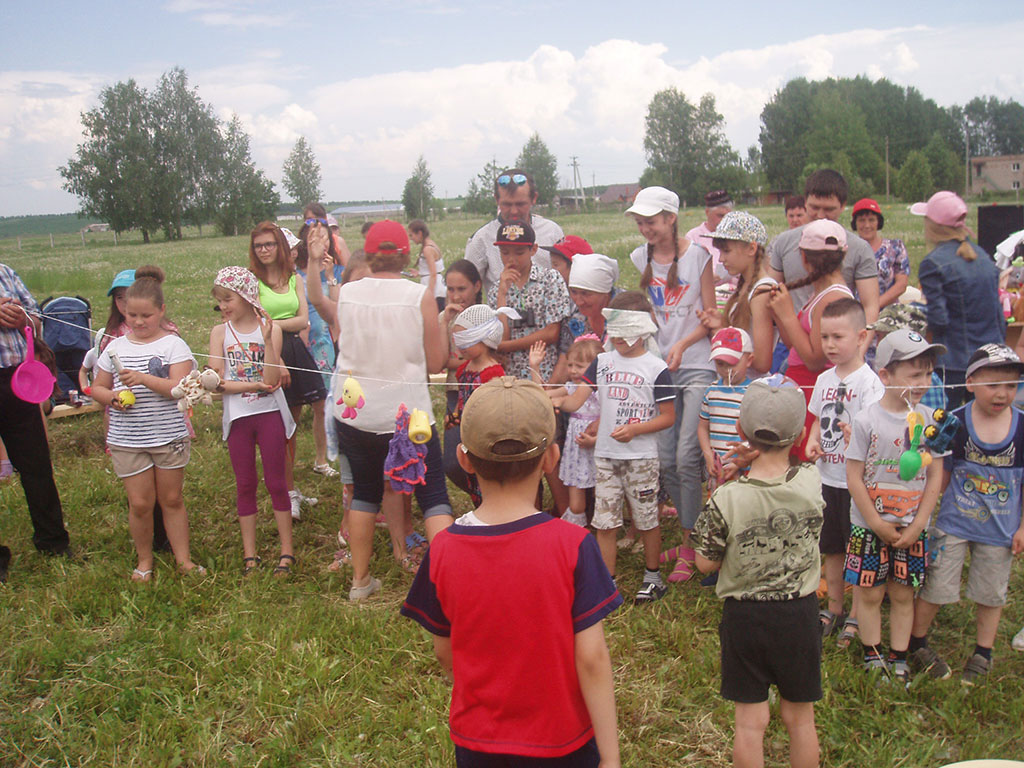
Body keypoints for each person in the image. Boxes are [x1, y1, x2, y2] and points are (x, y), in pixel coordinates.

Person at [400, 377, 622, 767]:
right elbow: (592, 658)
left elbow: (443, 649)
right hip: (563, 742)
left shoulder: (444, 549)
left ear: (465, 461)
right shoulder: (574, 545)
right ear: (551, 459)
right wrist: (611, 756)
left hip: (478, 741)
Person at [307, 219, 453, 600]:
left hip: (356, 413)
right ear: (405, 256)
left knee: (365, 494)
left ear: (369, 255)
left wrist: (312, 261)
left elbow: (330, 319)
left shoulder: (348, 293)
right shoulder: (419, 295)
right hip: (409, 415)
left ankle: (360, 581)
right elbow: (436, 362)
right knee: (433, 495)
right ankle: (445, 586)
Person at [693, 377, 825, 768]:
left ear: (739, 429)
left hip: (745, 618)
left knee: (749, 725)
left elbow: (704, 563)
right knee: (801, 720)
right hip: (799, 615)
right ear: (799, 435)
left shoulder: (727, 497)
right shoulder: (811, 480)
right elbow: (793, 469)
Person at [910, 344, 1024, 684]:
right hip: (954, 522)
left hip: (1000, 529)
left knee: (991, 591)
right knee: (936, 584)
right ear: (970, 383)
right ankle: (917, 642)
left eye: (1011, 385)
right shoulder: (955, 422)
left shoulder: (1022, 427)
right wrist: (922, 516)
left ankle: (983, 652)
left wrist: (1021, 527)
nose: (1002, 393)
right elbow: (940, 476)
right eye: (993, 384)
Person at [844, 329, 947, 683]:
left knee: (904, 594)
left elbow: (935, 476)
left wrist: (919, 524)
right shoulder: (866, 421)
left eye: (928, 374)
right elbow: (854, 477)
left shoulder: (932, 422)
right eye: (914, 374)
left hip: (911, 528)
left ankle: (899, 656)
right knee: (870, 593)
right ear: (885, 375)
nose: (923, 383)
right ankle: (873, 654)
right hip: (869, 526)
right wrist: (875, 522)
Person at [560, 295, 676, 602]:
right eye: (615, 331)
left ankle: (653, 578)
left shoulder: (657, 368)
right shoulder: (602, 362)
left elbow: (668, 417)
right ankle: (607, 583)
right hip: (606, 458)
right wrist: (542, 396)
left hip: (641, 458)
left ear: (643, 329)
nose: (619, 338)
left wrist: (636, 429)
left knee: (647, 518)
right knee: (605, 521)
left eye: (626, 331)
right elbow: (574, 401)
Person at [92, 267, 202, 581]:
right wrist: (112, 397)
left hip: (168, 436)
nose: (138, 322)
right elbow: (97, 388)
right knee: (140, 503)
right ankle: (144, 561)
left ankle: (184, 560)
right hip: (128, 439)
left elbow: (179, 388)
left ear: (162, 311)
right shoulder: (115, 348)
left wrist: (142, 379)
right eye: (132, 315)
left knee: (172, 499)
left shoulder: (174, 346)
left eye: (146, 316)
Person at [627, 186, 715, 573]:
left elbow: (710, 315)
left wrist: (681, 344)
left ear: (671, 218)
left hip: (696, 365)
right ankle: (688, 537)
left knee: (686, 455)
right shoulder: (639, 258)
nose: (645, 228)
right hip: (660, 370)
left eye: (651, 221)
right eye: (640, 222)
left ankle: (691, 545)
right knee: (665, 458)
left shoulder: (699, 257)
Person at [208, 267, 297, 577]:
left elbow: (271, 380)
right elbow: (216, 383)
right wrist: (250, 385)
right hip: (239, 417)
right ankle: (250, 553)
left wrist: (269, 342)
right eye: (219, 301)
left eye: (228, 299)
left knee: (277, 482)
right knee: (245, 483)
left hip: (269, 414)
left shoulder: (270, 329)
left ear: (246, 297)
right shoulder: (220, 333)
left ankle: (287, 550)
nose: (223, 306)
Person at [806, 299, 884, 646]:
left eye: (838, 337)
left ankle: (856, 613)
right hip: (827, 479)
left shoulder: (869, 384)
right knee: (833, 548)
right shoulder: (823, 379)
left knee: (858, 551)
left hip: (855, 485)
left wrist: (858, 438)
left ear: (861, 337)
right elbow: (816, 421)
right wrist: (812, 441)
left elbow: (875, 432)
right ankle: (834, 607)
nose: (830, 345)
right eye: (824, 337)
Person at [0, 262, 72, 583]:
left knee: (37, 466)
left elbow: (36, 320)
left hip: (17, 380)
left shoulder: (4, 272)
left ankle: (53, 542)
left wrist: (22, 319)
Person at [249, 222, 326, 519]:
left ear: (281, 247)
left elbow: (303, 320)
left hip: (294, 349)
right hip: (267, 352)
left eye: (269, 244)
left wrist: (272, 325)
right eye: (259, 245)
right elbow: (252, 324)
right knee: (278, 426)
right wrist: (273, 339)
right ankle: (286, 492)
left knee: (292, 423)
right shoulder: (252, 282)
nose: (264, 250)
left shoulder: (294, 278)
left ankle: (289, 488)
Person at [769, 219, 854, 461]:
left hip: (813, 389)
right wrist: (780, 314)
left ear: (803, 258)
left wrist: (787, 314)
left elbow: (815, 360)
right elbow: (796, 345)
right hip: (805, 388)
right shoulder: (822, 294)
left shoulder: (832, 298)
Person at [915, 191, 1006, 409]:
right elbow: (998, 317)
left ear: (932, 225)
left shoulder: (932, 263)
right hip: (989, 360)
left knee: (946, 422)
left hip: (953, 362)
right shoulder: (984, 257)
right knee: (985, 420)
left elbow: (939, 319)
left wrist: (916, 313)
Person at [767, 169, 879, 327]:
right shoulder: (784, 242)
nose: (820, 215)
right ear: (805, 202)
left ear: (843, 206)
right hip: (792, 335)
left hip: (839, 335)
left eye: (829, 209)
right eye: (814, 207)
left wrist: (862, 340)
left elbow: (870, 305)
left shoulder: (860, 248)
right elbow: (770, 294)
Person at [529, 335, 603, 527]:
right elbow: (541, 395)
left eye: (579, 366)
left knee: (603, 496)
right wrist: (535, 366)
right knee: (576, 504)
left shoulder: (605, 390)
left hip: (600, 447)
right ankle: (577, 531)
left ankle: (605, 530)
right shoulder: (571, 388)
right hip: (577, 449)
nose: (573, 370)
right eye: (570, 365)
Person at [488, 220, 573, 382]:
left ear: (533, 250)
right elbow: (501, 337)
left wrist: (505, 347)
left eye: (519, 253)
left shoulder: (550, 280)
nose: (511, 259)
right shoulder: (496, 290)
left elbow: (552, 332)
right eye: (505, 253)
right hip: (510, 378)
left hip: (544, 373)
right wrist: (502, 296)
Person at [445, 303, 512, 506]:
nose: (460, 347)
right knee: (471, 476)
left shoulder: (493, 373)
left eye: (466, 341)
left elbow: (497, 409)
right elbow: (461, 400)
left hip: (486, 438)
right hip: (468, 435)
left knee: (488, 478)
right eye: (458, 341)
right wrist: (454, 415)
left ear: (485, 338)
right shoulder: (465, 369)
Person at [464, 168, 564, 298]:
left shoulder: (552, 232)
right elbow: (467, 286)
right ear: (496, 200)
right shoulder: (481, 238)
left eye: (520, 204)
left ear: (534, 198)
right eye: (506, 205)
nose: (514, 211)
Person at [290, 225, 340, 479]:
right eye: (316, 236)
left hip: (324, 344)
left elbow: (337, 306)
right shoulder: (296, 274)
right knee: (294, 407)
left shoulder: (335, 269)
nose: (323, 241)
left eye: (325, 237)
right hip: (302, 342)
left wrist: (330, 276)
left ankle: (321, 460)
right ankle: (285, 462)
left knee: (322, 404)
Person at [700, 211, 777, 374]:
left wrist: (723, 339)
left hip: (751, 384)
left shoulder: (761, 291)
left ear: (751, 248)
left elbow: (762, 362)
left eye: (726, 251)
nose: (721, 259)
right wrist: (721, 326)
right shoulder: (746, 287)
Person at [438, 260, 484, 502]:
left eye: (462, 289)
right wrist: (444, 323)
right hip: (456, 392)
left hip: (485, 391)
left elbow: (493, 357)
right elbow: (438, 361)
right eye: (450, 289)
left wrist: (456, 360)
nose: (456, 296)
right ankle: (484, 499)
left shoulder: (486, 316)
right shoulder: (444, 318)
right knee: (453, 462)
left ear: (477, 286)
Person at [698, 328, 754, 494]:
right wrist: (708, 455)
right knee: (718, 504)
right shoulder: (711, 391)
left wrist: (740, 461)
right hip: (718, 467)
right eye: (720, 364)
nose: (726, 370)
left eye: (732, 364)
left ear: (749, 360)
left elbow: (757, 434)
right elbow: (702, 427)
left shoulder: (754, 393)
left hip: (745, 469)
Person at [851, 198, 908, 308]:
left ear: (878, 222)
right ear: (855, 223)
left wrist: (873, 307)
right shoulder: (847, 249)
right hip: (854, 311)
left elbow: (901, 284)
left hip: (887, 310)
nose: (867, 225)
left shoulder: (895, 247)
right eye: (862, 220)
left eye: (871, 220)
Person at [685, 189, 734, 283]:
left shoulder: (734, 236)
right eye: (720, 216)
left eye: (728, 217)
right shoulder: (693, 237)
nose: (724, 221)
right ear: (707, 212)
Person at [408, 219, 446, 311]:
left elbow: (433, 274)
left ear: (419, 233)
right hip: (438, 288)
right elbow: (433, 270)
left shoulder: (427, 249)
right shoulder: (431, 245)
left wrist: (430, 295)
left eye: (411, 235)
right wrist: (420, 273)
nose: (411, 238)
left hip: (436, 291)